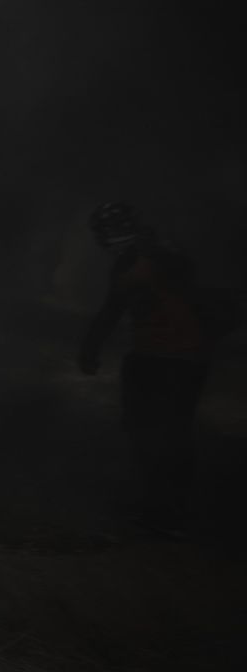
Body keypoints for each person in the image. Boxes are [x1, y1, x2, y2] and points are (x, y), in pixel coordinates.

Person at [78, 202, 225, 537]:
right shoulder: (133, 261)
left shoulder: (157, 255)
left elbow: (186, 282)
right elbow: (112, 309)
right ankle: (158, 504)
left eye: (109, 231)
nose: (105, 239)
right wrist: (90, 347)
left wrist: (90, 348)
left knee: (167, 433)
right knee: (145, 430)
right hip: (154, 355)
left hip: (180, 358)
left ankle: (170, 510)